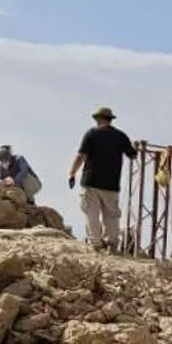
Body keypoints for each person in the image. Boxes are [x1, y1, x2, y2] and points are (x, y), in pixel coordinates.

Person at [67, 106, 135, 250]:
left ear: (97, 119)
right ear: (110, 120)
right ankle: (111, 244)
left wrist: (72, 173)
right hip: (111, 184)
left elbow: (81, 156)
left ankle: (96, 243)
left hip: (91, 181)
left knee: (91, 213)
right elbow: (132, 154)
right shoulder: (120, 136)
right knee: (111, 216)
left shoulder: (91, 134)